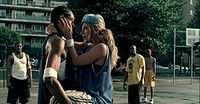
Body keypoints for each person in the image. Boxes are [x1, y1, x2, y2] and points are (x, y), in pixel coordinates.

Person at [59, 14, 118, 104]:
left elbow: (76, 61)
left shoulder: (101, 48)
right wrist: (59, 34)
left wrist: (69, 38)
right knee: (58, 96)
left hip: (97, 99)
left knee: (59, 99)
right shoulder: (89, 46)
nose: (82, 33)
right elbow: (69, 44)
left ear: (95, 30)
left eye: (85, 28)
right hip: (87, 96)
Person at [38, 5, 75, 104]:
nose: (73, 26)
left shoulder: (53, 39)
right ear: (62, 20)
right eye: (71, 22)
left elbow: (73, 46)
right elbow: (49, 79)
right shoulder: (57, 41)